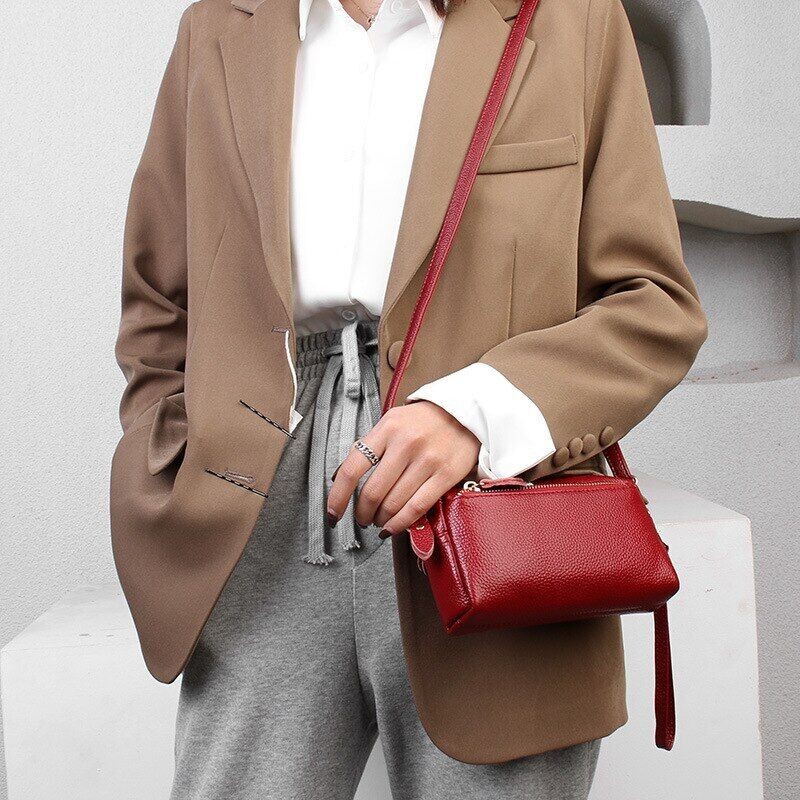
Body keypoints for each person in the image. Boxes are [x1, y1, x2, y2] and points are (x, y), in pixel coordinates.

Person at [110, 0, 708, 797]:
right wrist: (170, 463)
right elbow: (160, 301)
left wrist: (478, 414)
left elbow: (652, 302)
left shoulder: (570, 19)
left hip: (492, 504)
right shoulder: (219, 26)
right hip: (259, 503)